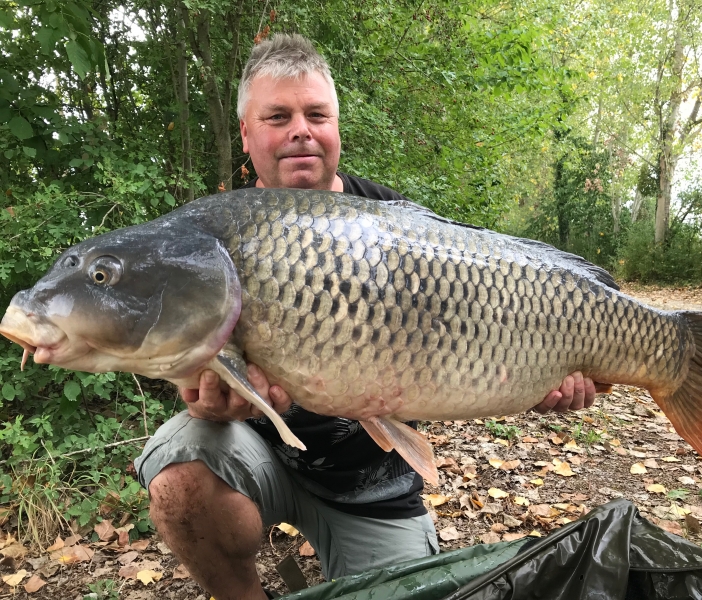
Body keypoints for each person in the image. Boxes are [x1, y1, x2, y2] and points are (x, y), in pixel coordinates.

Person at [134, 34, 596, 600]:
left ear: (335, 128)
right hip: (260, 463)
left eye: (316, 114)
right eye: (278, 116)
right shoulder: (217, 238)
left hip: (372, 488)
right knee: (179, 473)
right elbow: (190, 373)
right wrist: (207, 401)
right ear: (247, 134)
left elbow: (498, 327)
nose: (300, 129)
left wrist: (545, 377)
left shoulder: (401, 227)